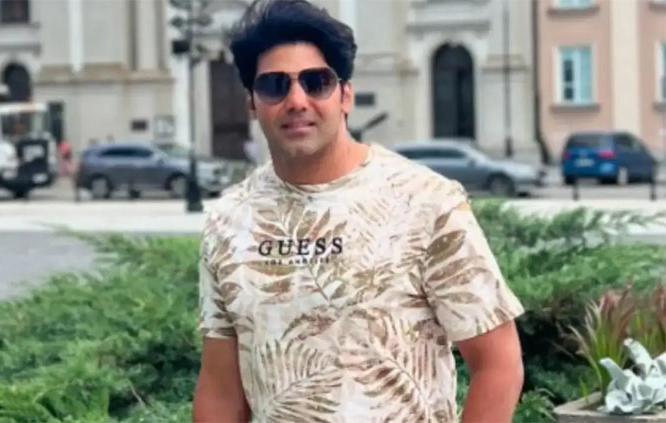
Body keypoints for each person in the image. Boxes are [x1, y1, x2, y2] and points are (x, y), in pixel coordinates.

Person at [193, 1, 525, 422]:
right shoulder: (229, 221)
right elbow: (221, 391)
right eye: (275, 86)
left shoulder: (426, 202)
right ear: (252, 103)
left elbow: (499, 365)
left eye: (316, 82)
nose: (296, 100)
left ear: (345, 95)